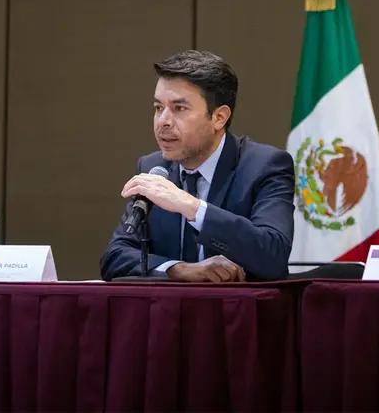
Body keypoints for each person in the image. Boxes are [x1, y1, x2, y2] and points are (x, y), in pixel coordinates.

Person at [100, 50, 295, 282]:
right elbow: (115, 256)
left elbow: (273, 255)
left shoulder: (265, 166)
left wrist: (193, 207)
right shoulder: (153, 167)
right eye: (158, 108)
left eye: (179, 108)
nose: (163, 121)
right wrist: (179, 269)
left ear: (219, 117)